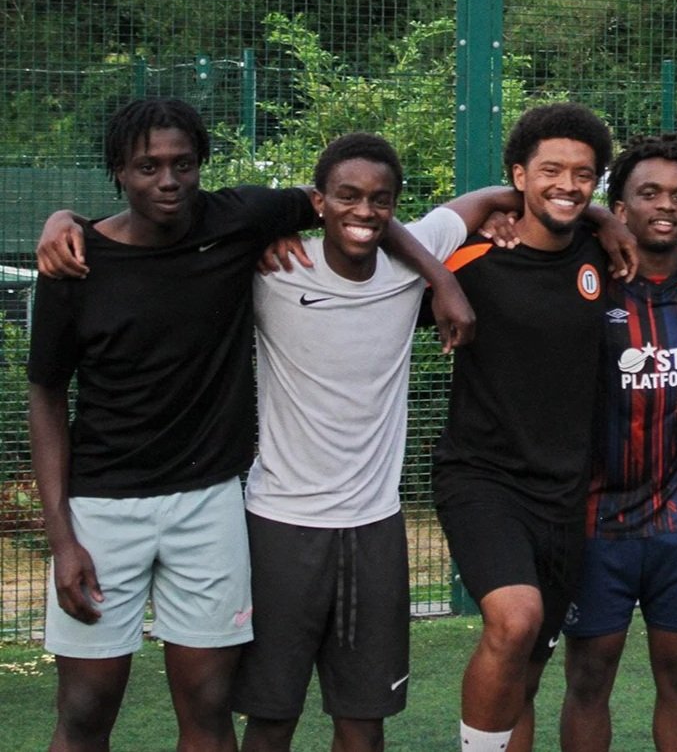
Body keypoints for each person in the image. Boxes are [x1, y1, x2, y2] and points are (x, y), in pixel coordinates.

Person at [26, 99, 469, 752]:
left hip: (210, 505)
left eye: (183, 163)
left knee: (208, 707)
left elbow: (353, 206)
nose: (168, 180)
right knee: (87, 709)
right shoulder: (76, 262)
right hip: (102, 509)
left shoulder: (238, 219)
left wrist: (441, 280)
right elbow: (45, 394)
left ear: (202, 165)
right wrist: (63, 538)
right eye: (148, 166)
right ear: (119, 170)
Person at [233, 133, 534, 752]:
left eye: (380, 199)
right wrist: (64, 220)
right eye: (347, 196)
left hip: (375, 528)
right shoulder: (276, 269)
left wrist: (603, 216)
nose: (364, 212)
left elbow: (495, 197)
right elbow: (175, 232)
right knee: (270, 719)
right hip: (280, 526)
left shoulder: (412, 256)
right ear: (318, 202)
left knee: (364, 722)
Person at [432, 102, 619, 752]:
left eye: (583, 173)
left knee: (527, 673)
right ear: (518, 174)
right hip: (482, 477)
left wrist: (605, 217)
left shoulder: (603, 254)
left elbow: (667, 247)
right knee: (515, 621)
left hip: (563, 490)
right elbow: (401, 241)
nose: (567, 184)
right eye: (550, 170)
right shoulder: (470, 257)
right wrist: (489, 200)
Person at [557, 135, 677, 752]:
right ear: (620, 205)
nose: (666, 205)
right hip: (594, 522)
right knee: (587, 679)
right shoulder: (582, 280)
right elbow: (537, 207)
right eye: (649, 193)